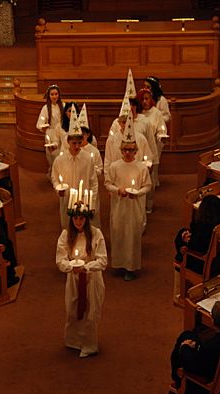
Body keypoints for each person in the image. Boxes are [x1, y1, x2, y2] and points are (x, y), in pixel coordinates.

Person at [56, 201, 107, 358]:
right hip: (74, 279)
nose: (78, 222)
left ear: (86, 219)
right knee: (73, 309)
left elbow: (103, 261)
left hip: (91, 279)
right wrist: (71, 266)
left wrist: (87, 267)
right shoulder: (66, 235)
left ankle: (90, 345)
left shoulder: (96, 234)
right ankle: (74, 341)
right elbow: (60, 260)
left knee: (91, 312)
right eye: (75, 219)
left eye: (81, 219)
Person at [105, 111, 152, 281]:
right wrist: (117, 190)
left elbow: (147, 186)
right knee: (118, 232)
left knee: (131, 236)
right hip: (119, 205)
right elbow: (107, 183)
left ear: (136, 150)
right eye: (125, 149)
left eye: (131, 150)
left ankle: (131, 267)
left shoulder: (141, 168)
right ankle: (118, 263)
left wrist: (137, 193)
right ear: (121, 149)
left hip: (134, 206)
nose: (128, 153)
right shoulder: (115, 166)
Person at [170, 301, 220, 394]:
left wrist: (185, 347)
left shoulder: (210, 347)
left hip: (206, 388)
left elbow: (190, 365)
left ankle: (178, 382)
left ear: (213, 320)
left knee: (182, 343)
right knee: (188, 334)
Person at [51, 104, 98, 229]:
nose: (77, 146)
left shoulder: (88, 159)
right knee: (68, 227)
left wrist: (91, 203)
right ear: (68, 142)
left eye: (79, 142)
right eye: (73, 143)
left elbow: (93, 182)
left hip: (84, 200)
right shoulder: (60, 160)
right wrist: (58, 189)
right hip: (67, 200)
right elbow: (55, 177)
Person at [174, 194, 220, 274]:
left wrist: (186, 241)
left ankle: (180, 264)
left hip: (206, 264)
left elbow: (195, 247)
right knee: (183, 231)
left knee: (180, 239)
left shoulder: (203, 226)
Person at [36, 84, 65, 179]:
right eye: (52, 94)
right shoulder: (45, 108)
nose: (54, 96)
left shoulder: (63, 105)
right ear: (49, 96)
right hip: (51, 133)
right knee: (52, 156)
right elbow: (40, 123)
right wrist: (42, 127)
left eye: (56, 94)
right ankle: (53, 174)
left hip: (62, 134)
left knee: (62, 155)